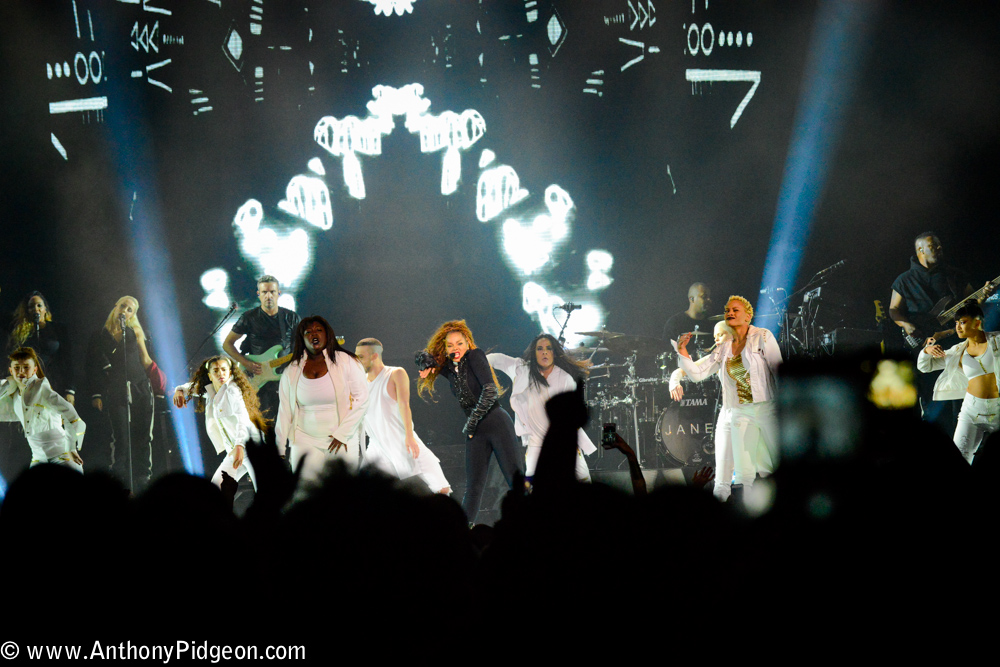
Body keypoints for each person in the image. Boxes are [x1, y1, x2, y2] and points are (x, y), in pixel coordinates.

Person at [416, 320, 524, 524]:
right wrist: (428, 363)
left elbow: (490, 390)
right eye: (450, 345)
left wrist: (472, 422)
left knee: (515, 480)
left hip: (496, 422)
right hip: (476, 431)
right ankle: (463, 532)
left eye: (459, 343)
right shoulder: (449, 369)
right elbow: (420, 357)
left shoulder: (475, 356)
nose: (455, 348)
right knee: (473, 486)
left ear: (468, 343)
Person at [674, 296, 781, 499]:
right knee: (743, 474)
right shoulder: (724, 347)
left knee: (774, 464)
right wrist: (683, 352)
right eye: (727, 310)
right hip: (741, 412)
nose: (730, 313)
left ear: (748, 316)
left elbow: (778, 370)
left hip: (767, 408)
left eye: (735, 310)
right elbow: (698, 373)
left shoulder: (763, 337)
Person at [487, 333, 595, 484]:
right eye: (539, 348)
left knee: (584, 481)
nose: (544, 352)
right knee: (533, 486)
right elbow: (497, 359)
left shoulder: (565, 379)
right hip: (536, 442)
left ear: (554, 353)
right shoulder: (522, 370)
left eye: (548, 348)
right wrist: (472, 358)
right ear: (534, 352)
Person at [276, 316, 369, 485]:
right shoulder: (292, 369)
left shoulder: (346, 361)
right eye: (308, 332)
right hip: (304, 438)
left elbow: (362, 399)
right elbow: (284, 411)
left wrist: (343, 434)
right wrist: (280, 448)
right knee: (304, 492)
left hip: (340, 439)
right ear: (302, 339)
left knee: (342, 492)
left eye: (318, 330)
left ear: (327, 335)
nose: (314, 334)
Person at [354, 338, 451, 494]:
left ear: (374, 356)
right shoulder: (360, 382)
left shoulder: (395, 373)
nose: (357, 361)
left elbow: (404, 405)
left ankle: (445, 517)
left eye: (360, 357)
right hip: (377, 447)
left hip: (403, 441)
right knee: (364, 492)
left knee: (441, 486)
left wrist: (409, 436)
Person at [86, 296, 162, 492]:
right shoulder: (101, 335)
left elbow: (146, 360)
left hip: (140, 386)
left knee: (144, 434)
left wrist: (159, 383)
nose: (125, 311)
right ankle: (119, 478)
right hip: (116, 388)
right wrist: (97, 394)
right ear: (115, 306)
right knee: (120, 435)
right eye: (123, 306)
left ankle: (142, 477)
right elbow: (93, 366)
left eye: (130, 309)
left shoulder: (135, 332)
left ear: (132, 315)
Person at [918, 302, 999, 464]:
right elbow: (925, 366)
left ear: (977, 322)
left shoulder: (997, 340)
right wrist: (926, 350)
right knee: (959, 461)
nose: (958, 327)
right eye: (956, 323)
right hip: (972, 411)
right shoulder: (957, 351)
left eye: (962, 322)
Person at [173, 355, 268, 491]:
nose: (220, 374)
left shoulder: (232, 391)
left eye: (224, 370)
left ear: (230, 372)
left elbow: (243, 419)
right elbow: (190, 388)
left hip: (250, 447)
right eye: (216, 371)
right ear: (210, 376)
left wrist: (240, 446)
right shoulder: (211, 392)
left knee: (266, 493)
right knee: (216, 489)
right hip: (234, 451)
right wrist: (179, 390)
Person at [669, 320, 737, 499]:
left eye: (721, 335)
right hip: (728, 415)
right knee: (721, 482)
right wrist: (682, 352)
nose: (717, 340)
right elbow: (694, 373)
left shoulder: (754, 351)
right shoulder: (719, 354)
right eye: (715, 337)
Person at [223, 275, 300, 421]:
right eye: (264, 292)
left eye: (272, 291)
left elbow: (301, 347)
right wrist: (246, 363)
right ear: (258, 294)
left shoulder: (291, 318)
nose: (269, 296)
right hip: (259, 380)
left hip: (286, 380)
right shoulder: (249, 317)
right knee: (265, 427)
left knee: (289, 427)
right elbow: (227, 344)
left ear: (279, 293)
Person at [0, 348, 85, 472]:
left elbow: (69, 412)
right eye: (17, 368)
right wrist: (9, 382)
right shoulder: (13, 393)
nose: (21, 372)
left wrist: (71, 447)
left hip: (61, 454)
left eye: (26, 367)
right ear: (10, 370)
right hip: (38, 458)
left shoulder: (41, 388)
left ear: (34, 369)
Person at [7, 291, 75, 403]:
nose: (36, 309)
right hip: (28, 385)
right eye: (31, 307)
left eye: (39, 305)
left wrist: (70, 390)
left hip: (55, 383)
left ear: (45, 309)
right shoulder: (21, 332)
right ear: (27, 311)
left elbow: (67, 360)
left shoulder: (58, 329)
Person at [662, 283, 713, 401]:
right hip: (682, 380)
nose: (709, 300)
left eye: (709, 297)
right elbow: (664, 351)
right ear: (692, 299)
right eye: (704, 297)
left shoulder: (713, 323)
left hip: (709, 377)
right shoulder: (675, 323)